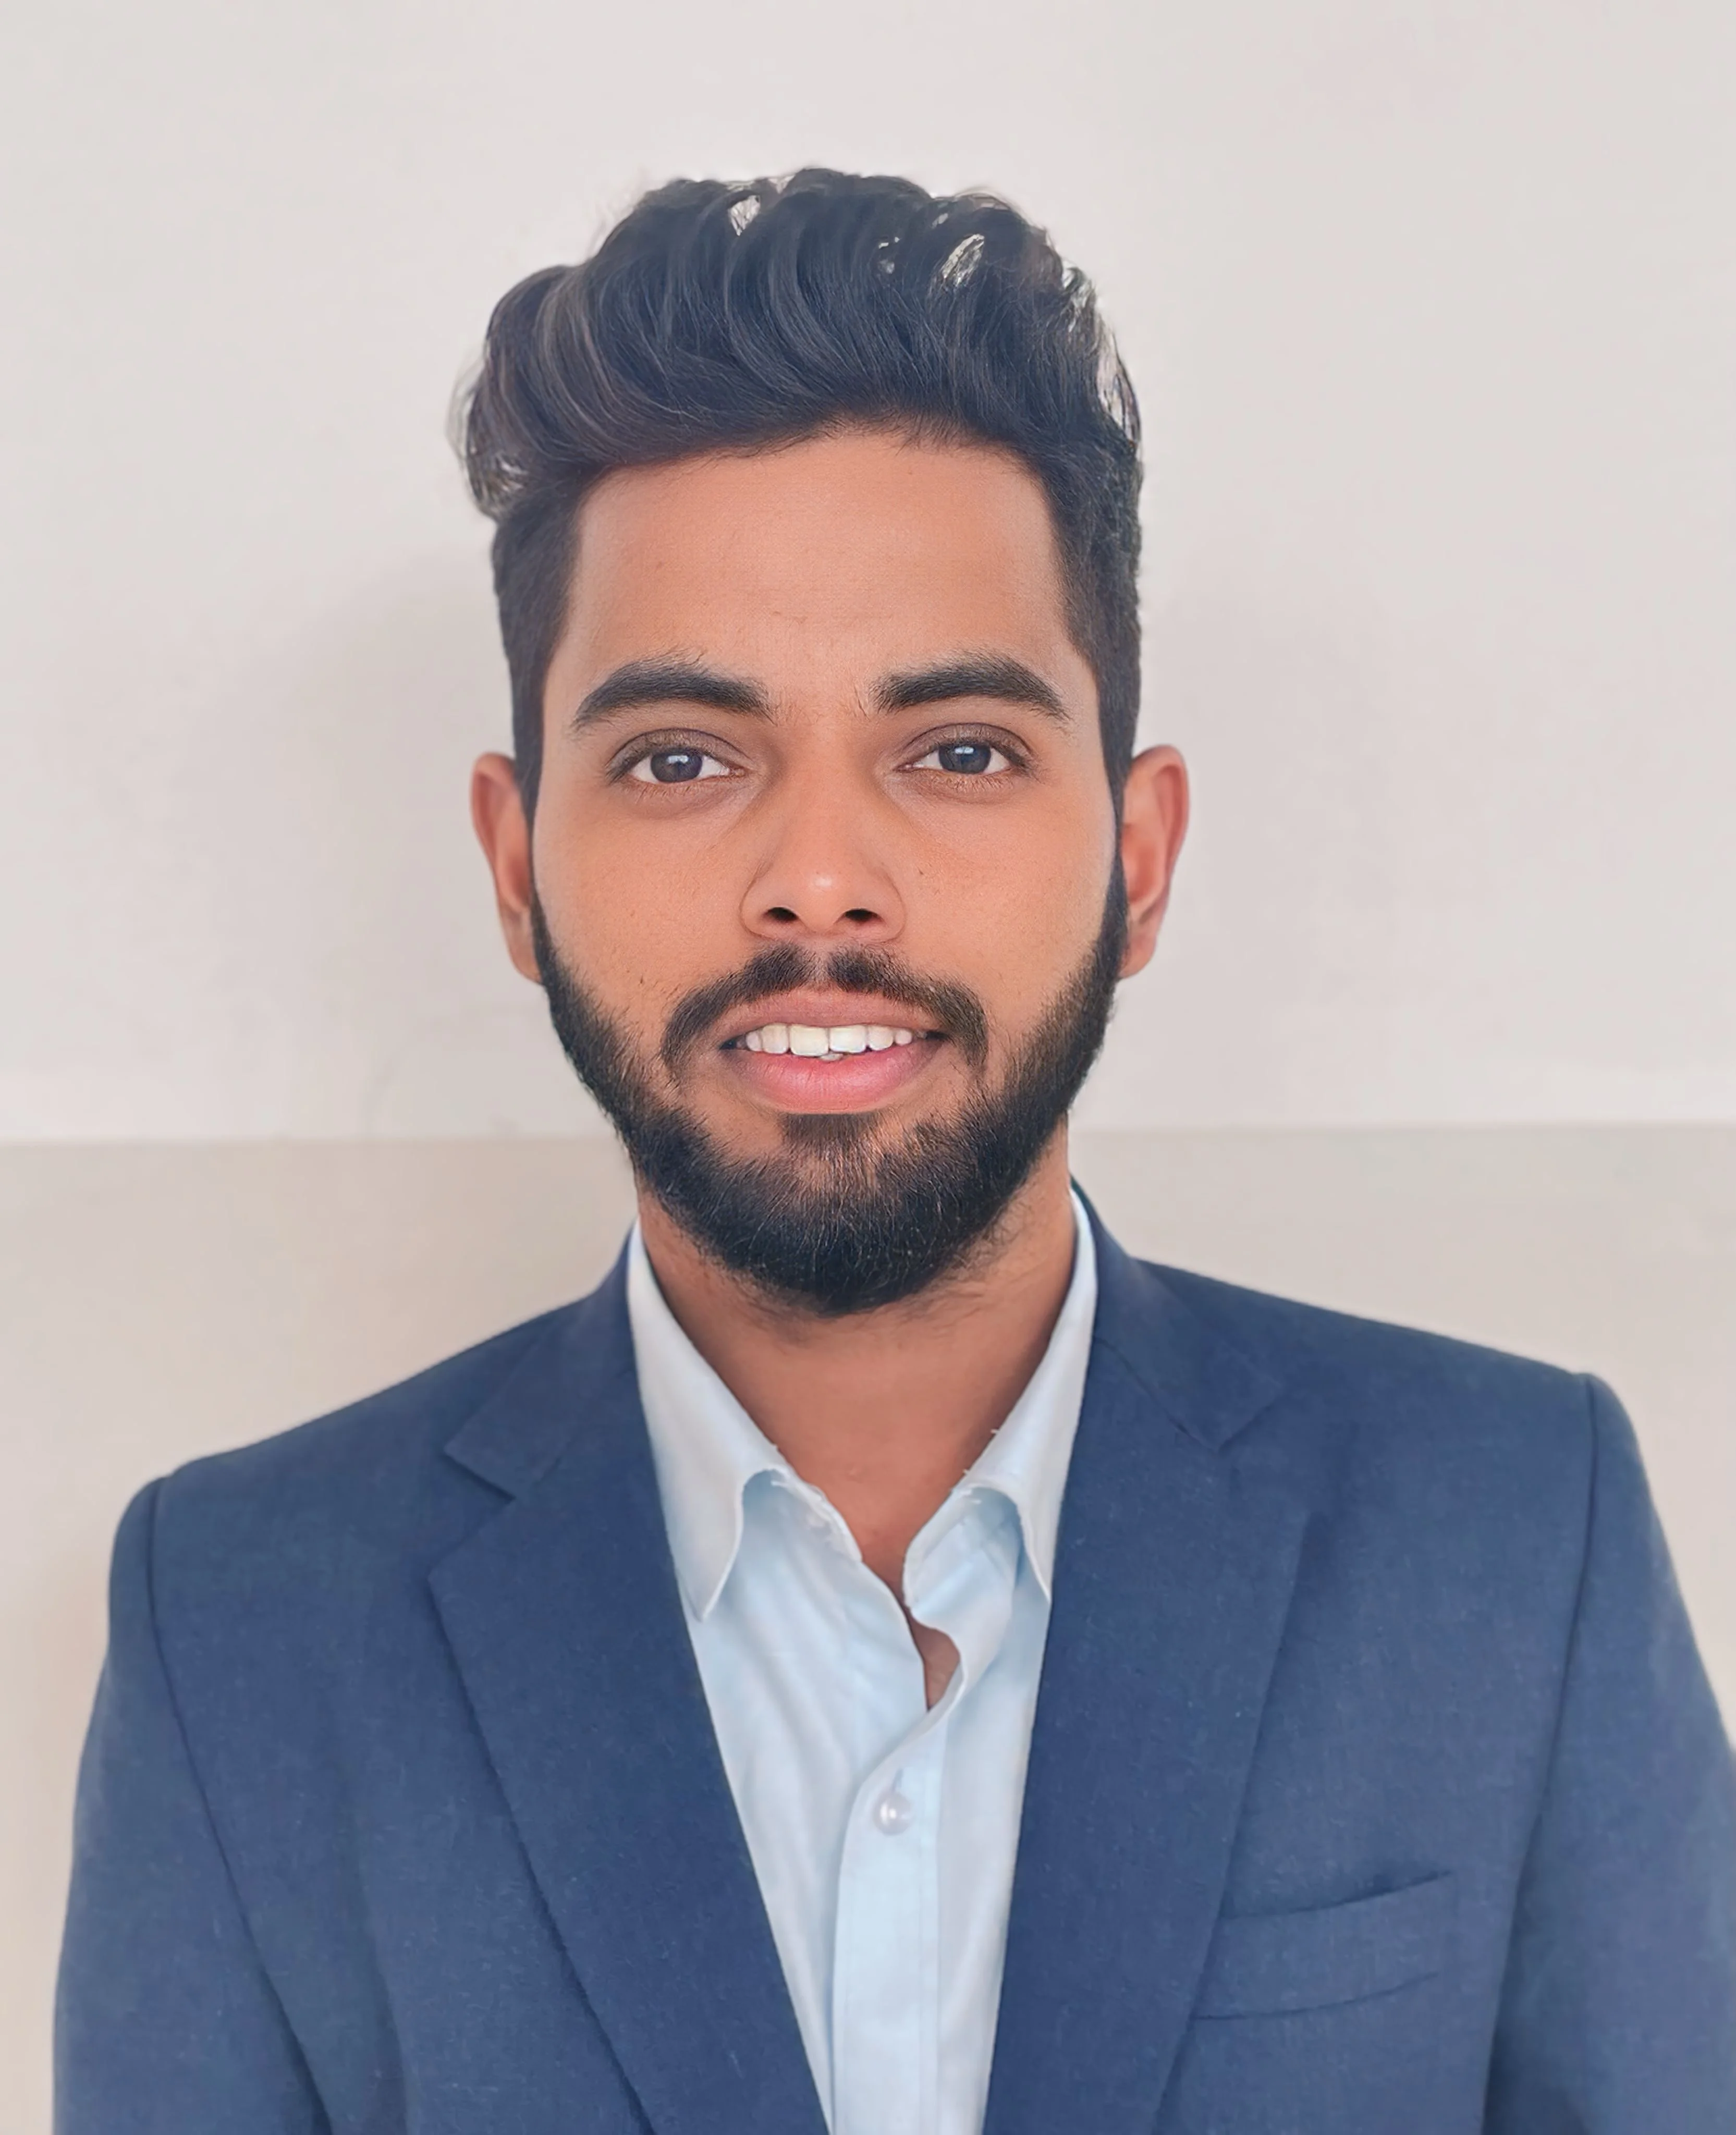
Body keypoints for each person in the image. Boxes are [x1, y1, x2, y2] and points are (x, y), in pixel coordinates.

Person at [56, 169, 1734, 2135]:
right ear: (518, 868)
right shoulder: (240, 1623)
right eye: (683, 759)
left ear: (1143, 854)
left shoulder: (1514, 1540)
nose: (820, 882)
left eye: (956, 751)